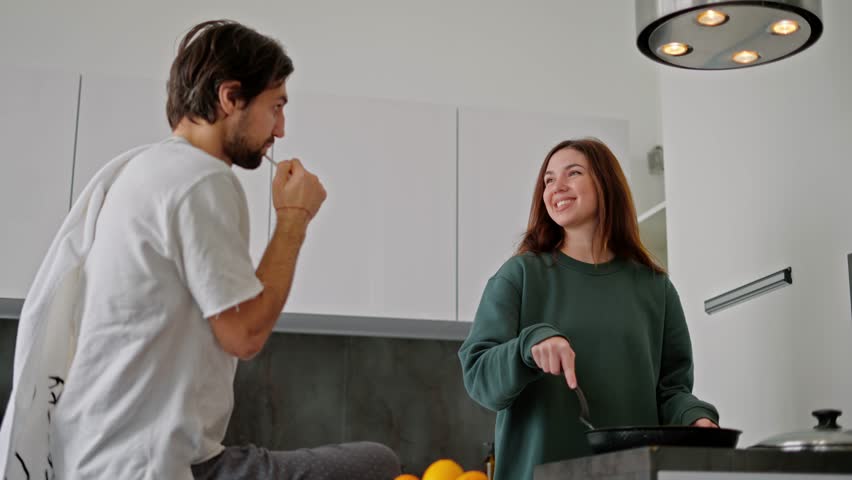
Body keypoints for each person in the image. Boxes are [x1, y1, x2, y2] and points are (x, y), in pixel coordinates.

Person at [18, 19, 400, 480]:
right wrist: (294, 219)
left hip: (90, 458)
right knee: (378, 464)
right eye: (275, 106)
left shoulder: (145, 171)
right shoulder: (202, 179)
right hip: (147, 466)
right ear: (229, 97)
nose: (280, 129)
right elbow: (245, 335)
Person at [458, 138, 719, 480]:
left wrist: (694, 418)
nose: (556, 187)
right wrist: (529, 347)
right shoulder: (520, 275)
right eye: (548, 180)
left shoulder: (656, 288)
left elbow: (671, 392)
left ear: (605, 185)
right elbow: (478, 376)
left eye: (573, 173)